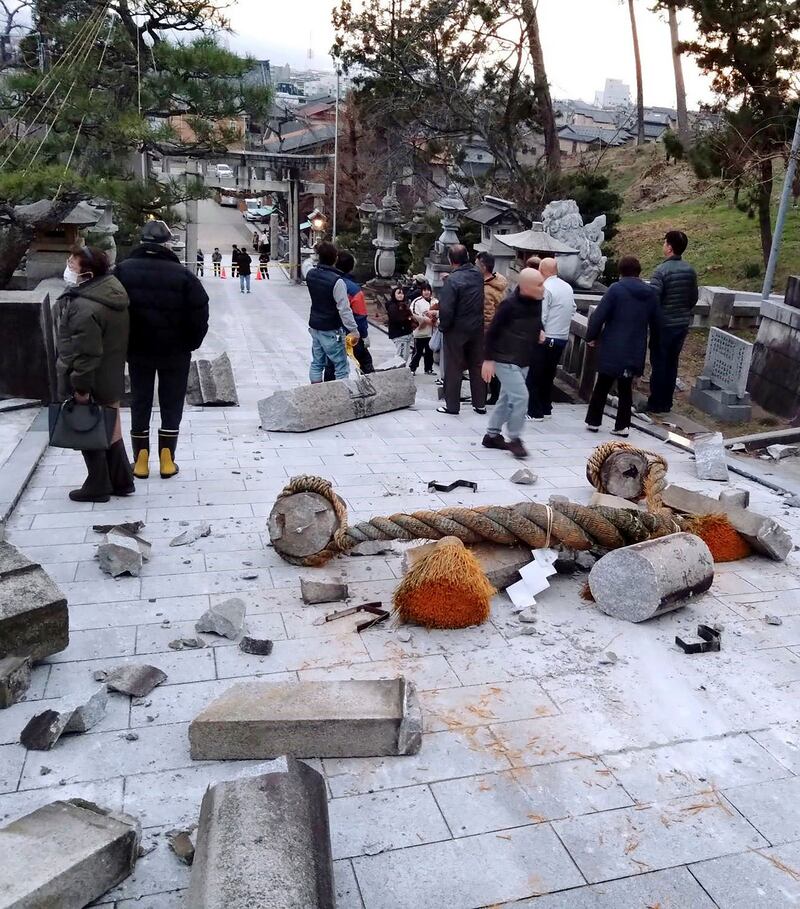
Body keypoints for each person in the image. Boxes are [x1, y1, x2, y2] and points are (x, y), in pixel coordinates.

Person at [115, 220, 209, 480]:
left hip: (137, 348)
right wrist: (191, 342)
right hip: (175, 351)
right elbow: (200, 311)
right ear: (167, 244)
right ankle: (167, 458)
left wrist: (124, 341)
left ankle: (141, 459)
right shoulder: (184, 276)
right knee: (171, 401)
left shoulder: (122, 271)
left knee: (140, 399)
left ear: (142, 241)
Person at [54, 245, 135, 502]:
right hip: (111, 374)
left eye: (72, 264)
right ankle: (121, 480)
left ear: (87, 274)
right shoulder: (112, 292)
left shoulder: (86, 307)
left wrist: (80, 388)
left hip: (93, 378)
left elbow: (85, 353)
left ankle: (97, 484)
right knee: (111, 428)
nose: (68, 267)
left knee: (87, 426)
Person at [585, 255, 661, 436]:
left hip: (613, 344)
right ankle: (622, 426)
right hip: (636, 346)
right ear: (638, 271)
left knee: (603, 384)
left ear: (620, 271)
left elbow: (599, 316)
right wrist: (654, 345)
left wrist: (591, 336)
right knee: (626, 388)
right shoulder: (650, 293)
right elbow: (657, 322)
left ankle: (594, 421)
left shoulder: (616, 290)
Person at [481, 268, 544, 460]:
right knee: (521, 397)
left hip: (524, 358)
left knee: (507, 399)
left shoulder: (536, 302)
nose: (543, 288)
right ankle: (515, 438)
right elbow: (492, 332)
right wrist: (488, 359)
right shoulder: (509, 305)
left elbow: (536, 322)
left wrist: (540, 331)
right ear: (526, 287)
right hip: (504, 358)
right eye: (539, 284)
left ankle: (491, 435)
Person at [646, 229, 698, 413]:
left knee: (659, 363)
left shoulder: (661, 271)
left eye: (664, 243)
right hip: (681, 324)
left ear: (669, 247)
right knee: (672, 363)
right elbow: (693, 298)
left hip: (663, 325)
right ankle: (667, 403)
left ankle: (655, 403)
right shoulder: (690, 271)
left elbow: (653, 299)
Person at [436, 245, 487, 415]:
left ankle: (452, 406)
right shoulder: (478, 275)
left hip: (457, 328)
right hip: (477, 326)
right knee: (477, 364)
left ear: (451, 260)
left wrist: (443, 326)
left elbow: (447, 308)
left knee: (454, 366)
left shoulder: (452, 280)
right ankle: (480, 404)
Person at [527, 257, 576, 421]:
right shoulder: (567, 287)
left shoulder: (545, 287)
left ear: (542, 271)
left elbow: (542, 315)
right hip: (561, 337)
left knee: (534, 376)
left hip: (546, 337)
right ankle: (546, 408)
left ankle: (534, 412)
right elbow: (573, 308)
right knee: (548, 375)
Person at [306, 240, 359, 382]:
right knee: (341, 365)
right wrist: (353, 330)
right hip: (331, 327)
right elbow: (344, 309)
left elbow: (307, 265)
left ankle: (315, 391)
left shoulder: (311, 274)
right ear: (334, 258)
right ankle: (342, 394)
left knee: (317, 362)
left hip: (315, 324)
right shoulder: (337, 281)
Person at [323, 251, 375, 379]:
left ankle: (328, 391)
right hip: (351, 334)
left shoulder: (327, 283)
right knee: (365, 361)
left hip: (330, 331)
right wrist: (364, 335)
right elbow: (360, 315)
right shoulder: (354, 290)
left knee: (331, 364)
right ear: (351, 267)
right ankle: (371, 387)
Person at [476, 251, 508, 405]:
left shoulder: (487, 290)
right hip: (502, 330)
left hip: (489, 332)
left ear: (483, 266)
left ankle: (492, 395)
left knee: (487, 363)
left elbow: (487, 315)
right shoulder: (500, 282)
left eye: (477, 264)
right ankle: (495, 394)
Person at [385, 286, 416, 364]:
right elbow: (397, 319)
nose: (400, 295)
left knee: (405, 356)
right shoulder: (392, 306)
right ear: (394, 295)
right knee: (400, 356)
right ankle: (398, 372)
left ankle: (401, 370)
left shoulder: (404, 305)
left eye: (402, 293)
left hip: (407, 333)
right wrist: (408, 319)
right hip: (399, 334)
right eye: (398, 293)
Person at [409, 284, 436, 375]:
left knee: (429, 352)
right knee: (418, 351)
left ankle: (428, 369)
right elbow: (413, 313)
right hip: (420, 331)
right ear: (421, 291)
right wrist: (425, 320)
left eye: (428, 290)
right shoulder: (417, 302)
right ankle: (412, 368)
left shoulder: (435, 301)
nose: (426, 292)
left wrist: (434, 320)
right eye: (424, 290)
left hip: (432, 332)